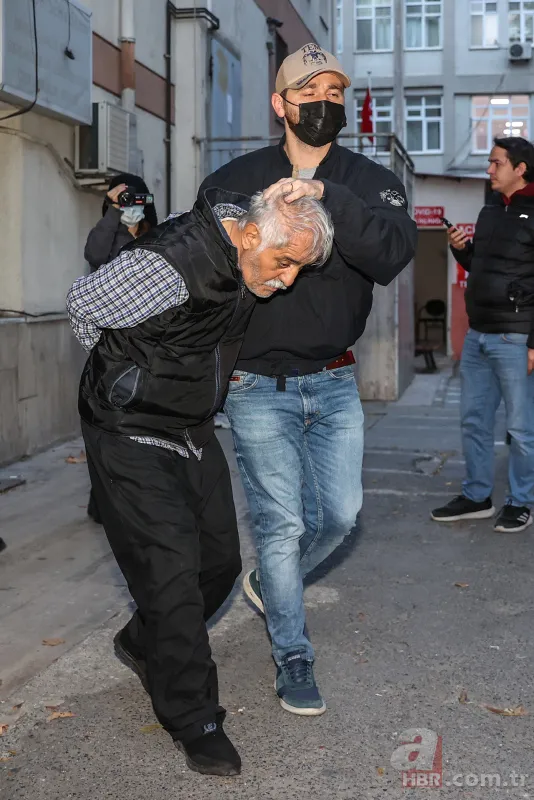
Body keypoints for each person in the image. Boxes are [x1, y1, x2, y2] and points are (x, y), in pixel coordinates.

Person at [66, 185, 334, 776]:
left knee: (218, 562)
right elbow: (84, 302)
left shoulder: (250, 240)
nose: (287, 280)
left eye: (298, 267)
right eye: (284, 262)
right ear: (249, 237)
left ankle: (145, 639)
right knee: (170, 569)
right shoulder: (168, 267)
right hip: (127, 423)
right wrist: (127, 369)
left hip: (189, 421)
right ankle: (195, 717)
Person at [199, 43, 417, 716]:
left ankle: (271, 580)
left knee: (343, 516)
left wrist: (326, 195)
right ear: (279, 104)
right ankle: (293, 655)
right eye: (309, 91)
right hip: (255, 385)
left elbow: (391, 254)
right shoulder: (233, 181)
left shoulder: (371, 181)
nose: (323, 102)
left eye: (333, 91)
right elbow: (204, 275)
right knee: (283, 523)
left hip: (335, 381)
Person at [432, 136, 534, 533]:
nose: (489, 169)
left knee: (521, 429)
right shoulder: (490, 211)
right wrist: (461, 250)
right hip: (478, 335)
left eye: (496, 163)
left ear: (519, 168)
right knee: (474, 421)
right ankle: (477, 496)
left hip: (515, 336)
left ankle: (520, 501)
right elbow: (479, 265)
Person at [84, 174, 158, 523]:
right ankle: (103, 500)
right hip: (112, 346)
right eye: (124, 202)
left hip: (150, 347)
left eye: (135, 201)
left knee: (144, 427)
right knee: (110, 425)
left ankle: (140, 496)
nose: (132, 209)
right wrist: (114, 210)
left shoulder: (156, 236)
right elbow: (95, 255)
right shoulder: (107, 234)